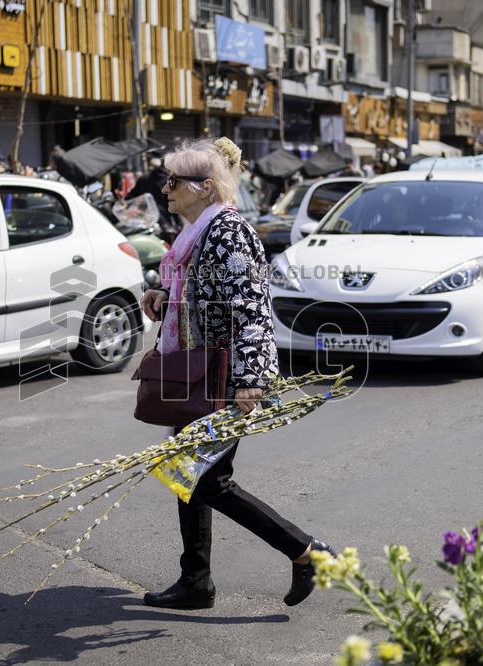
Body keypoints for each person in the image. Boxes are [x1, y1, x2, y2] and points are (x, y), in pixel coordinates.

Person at [138, 137, 333, 611]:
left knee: (204, 479)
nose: (166, 189)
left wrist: (251, 378)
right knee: (192, 474)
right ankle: (195, 580)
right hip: (199, 371)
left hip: (224, 374)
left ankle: (305, 551)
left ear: (205, 187)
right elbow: (207, 299)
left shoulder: (228, 232)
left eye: (174, 181)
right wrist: (166, 299)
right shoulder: (197, 236)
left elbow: (250, 309)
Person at [126, 153, 181, 243]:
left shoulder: (143, 179)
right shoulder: (167, 180)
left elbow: (130, 197)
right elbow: (173, 202)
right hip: (164, 222)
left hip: (146, 221)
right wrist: (178, 223)